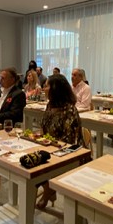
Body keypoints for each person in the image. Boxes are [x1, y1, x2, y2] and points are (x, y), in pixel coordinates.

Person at [37, 74, 83, 209]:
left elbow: (69, 141)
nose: (44, 89)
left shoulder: (69, 110)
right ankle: (48, 189)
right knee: (29, 161)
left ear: (55, 89)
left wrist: (48, 145)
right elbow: (44, 129)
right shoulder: (50, 105)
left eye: (46, 86)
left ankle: (48, 190)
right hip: (49, 146)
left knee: (38, 165)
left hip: (67, 152)